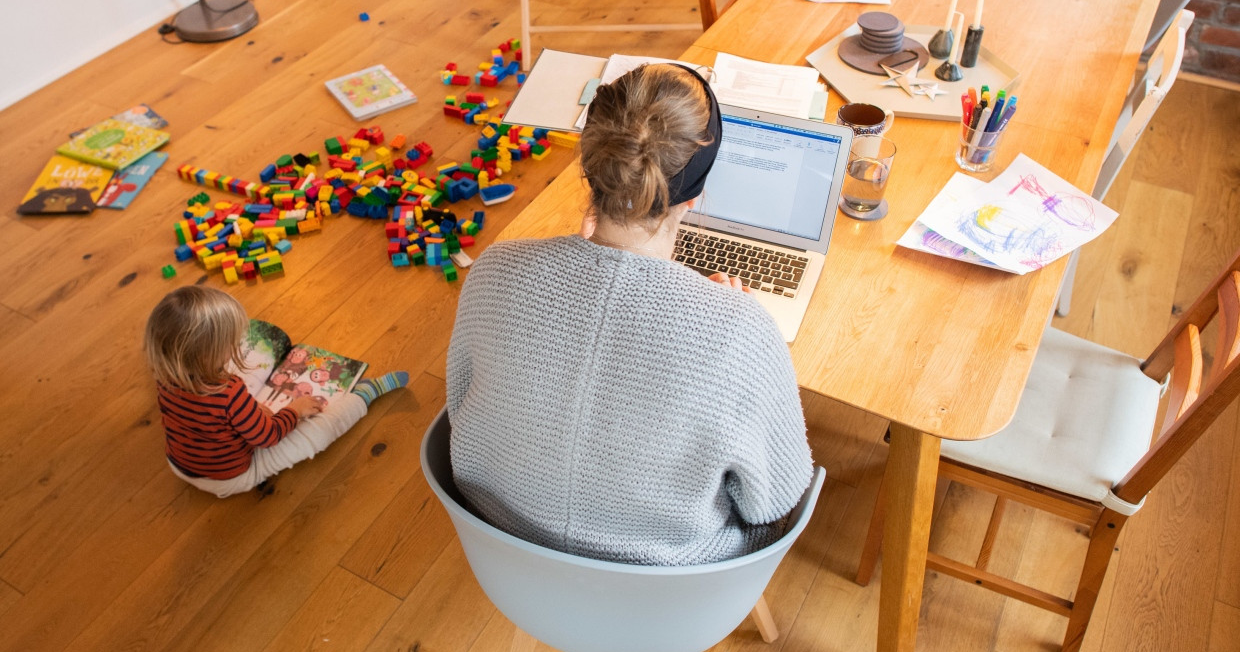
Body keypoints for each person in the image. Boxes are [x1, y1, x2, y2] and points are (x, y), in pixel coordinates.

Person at [446, 63, 813, 566]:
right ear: (696, 193)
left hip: (501, 549)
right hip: (670, 591)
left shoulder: (493, 271)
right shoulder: (742, 333)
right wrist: (732, 326)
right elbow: (774, 501)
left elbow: (461, 404)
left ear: (589, 165)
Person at [144, 286, 408, 498]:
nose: (236, 344)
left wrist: (251, 412)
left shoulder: (164, 376)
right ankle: (364, 394)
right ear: (207, 354)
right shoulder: (228, 393)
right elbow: (267, 436)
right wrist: (293, 411)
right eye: (229, 344)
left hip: (178, 465)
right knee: (317, 434)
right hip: (231, 478)